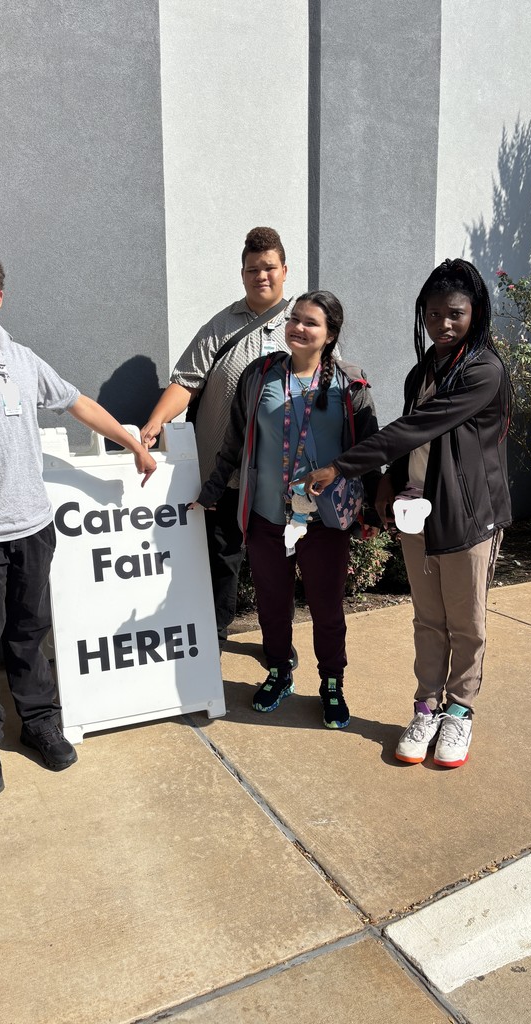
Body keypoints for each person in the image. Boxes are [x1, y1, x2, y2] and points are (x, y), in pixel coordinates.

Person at [0, 241, 156, 799]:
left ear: (0, 297)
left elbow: (76, 401)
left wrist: (130, 441)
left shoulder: (21, 358)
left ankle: (39, 721)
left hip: (33, 527)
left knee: (29, 633)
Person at [302, 259, 512, 767]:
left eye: (454, 314)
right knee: (428, 619)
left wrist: (342, 467)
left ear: (475, 312)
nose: (442, 324)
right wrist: (388, 484)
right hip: (418, 511)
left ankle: (459, 712)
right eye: (433, 314)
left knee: (466, 623)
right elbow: (409, 435)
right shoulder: (424, 370)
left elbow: (417, 428)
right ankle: (426, 707)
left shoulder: (483, 370)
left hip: (467, 518)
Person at [194, 291, 380, 727]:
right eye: (294, 319)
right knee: (272, 604)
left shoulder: (349, 383)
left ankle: (332, 683)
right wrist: (213, 488)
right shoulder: (260, 376)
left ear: (329, 334)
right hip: (267, 516)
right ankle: (279, 672)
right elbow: (235, 441)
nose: (298, 327)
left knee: (327, 606)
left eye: (310, 322)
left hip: (324, 520)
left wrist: (371, 510)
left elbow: (369, 450)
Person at [141, 227, 292, 648]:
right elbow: (186, 381)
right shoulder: (221, 325)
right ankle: (214, 635)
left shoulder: (298, 324)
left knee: (274, 560)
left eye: (268, 268)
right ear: (242, 274)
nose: (260, 276)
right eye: (252, 269)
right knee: (222, 558)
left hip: (274, 476)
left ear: (284, 271)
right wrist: (155, 422)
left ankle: (277, 643)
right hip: (221, 472)